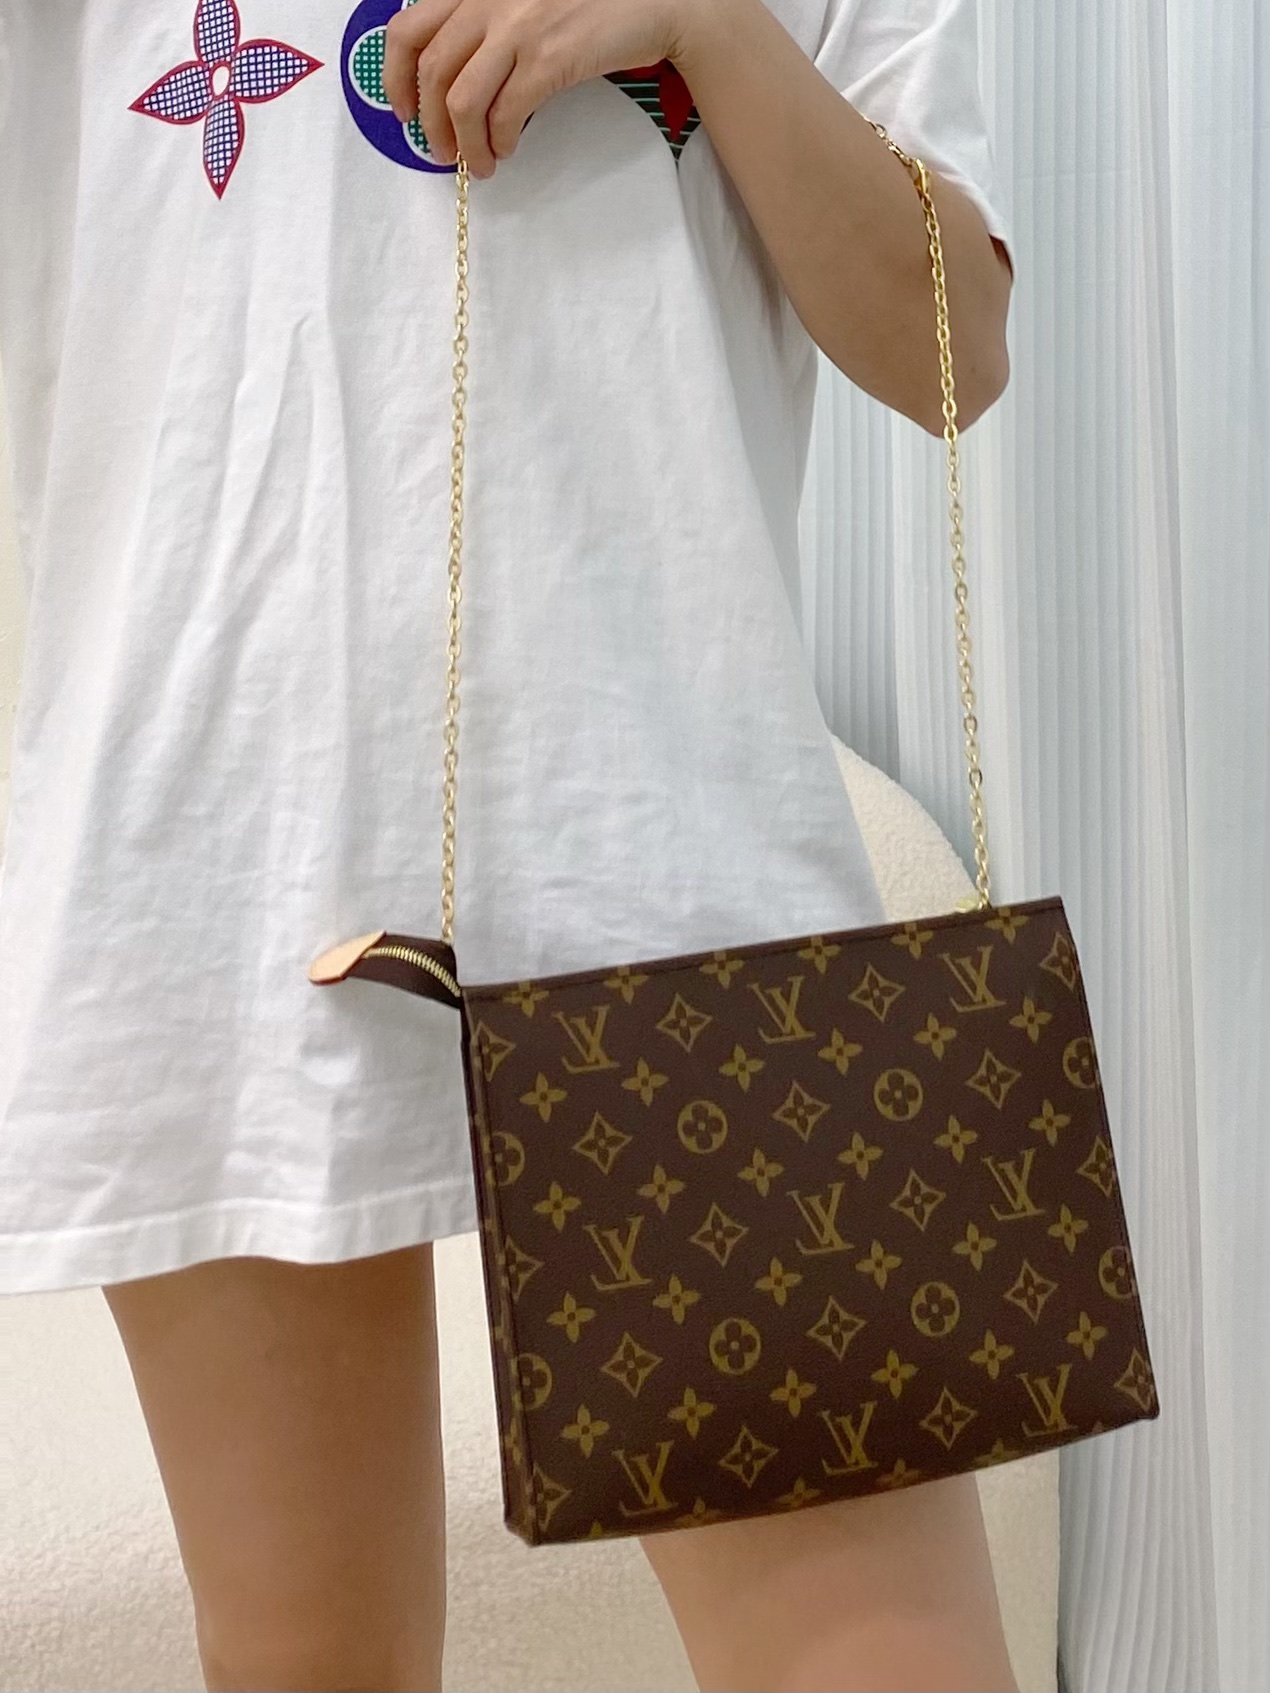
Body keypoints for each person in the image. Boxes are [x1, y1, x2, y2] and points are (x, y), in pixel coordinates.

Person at [0, 0, 1015, 1687]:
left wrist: (701, 21)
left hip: (669, 851)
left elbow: (949, 350)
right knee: (310, 1661)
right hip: (197, 839)